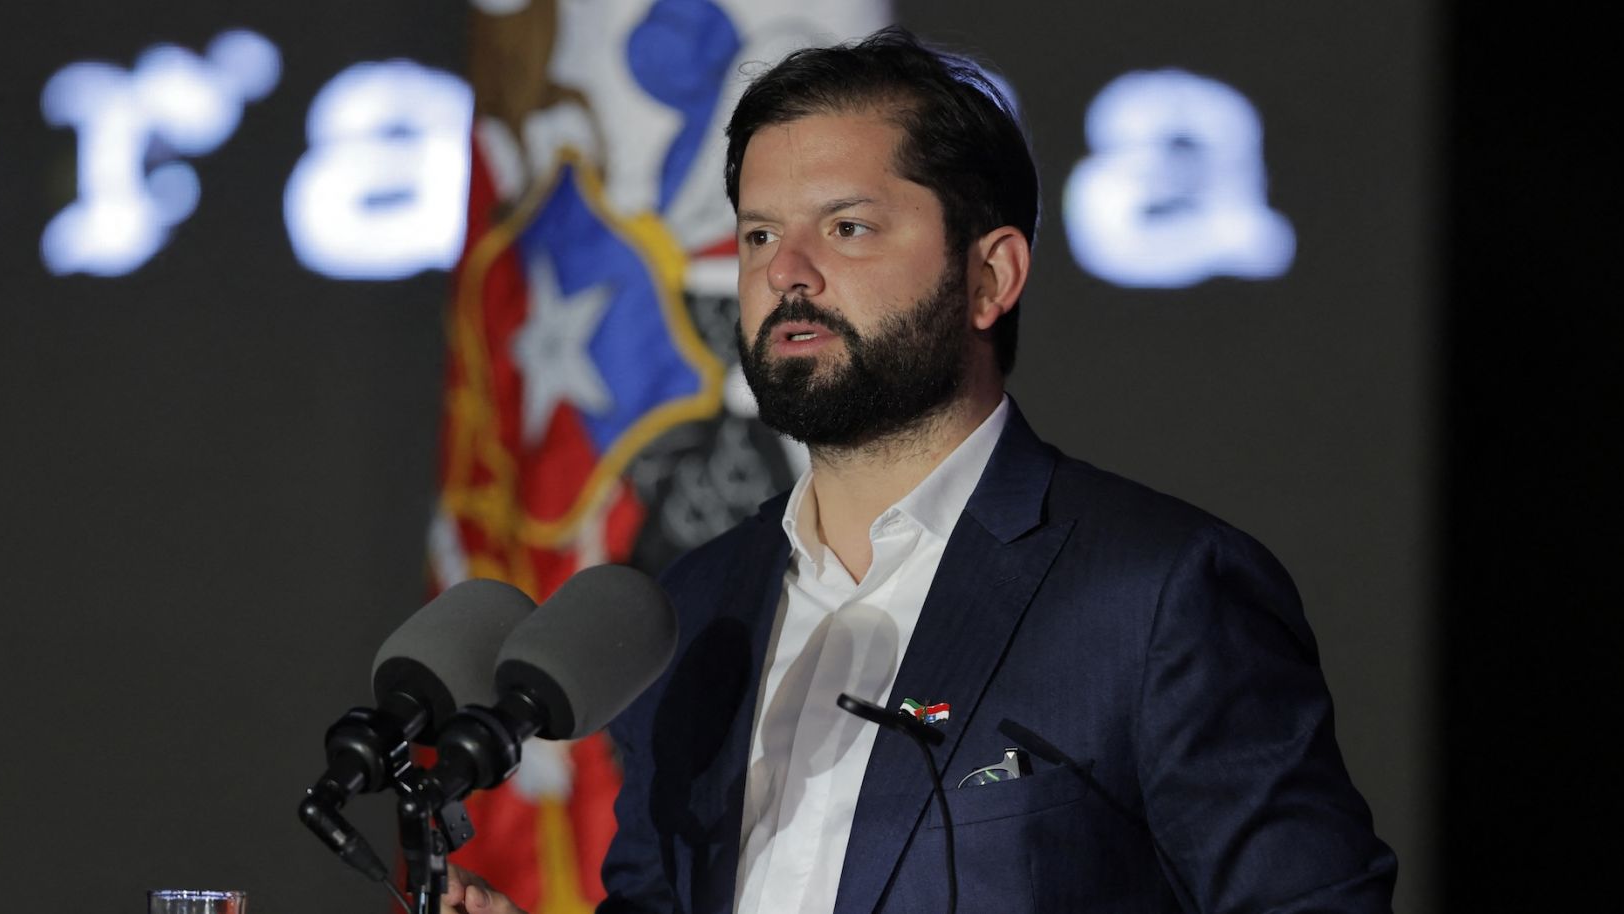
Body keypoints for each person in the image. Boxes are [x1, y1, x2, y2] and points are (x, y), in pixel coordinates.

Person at [444, 27, 1396, 914]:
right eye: (759, 236)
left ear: (990, 279)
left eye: (848, 227)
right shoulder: (698, 607)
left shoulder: (1157, 595)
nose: (788, 273)